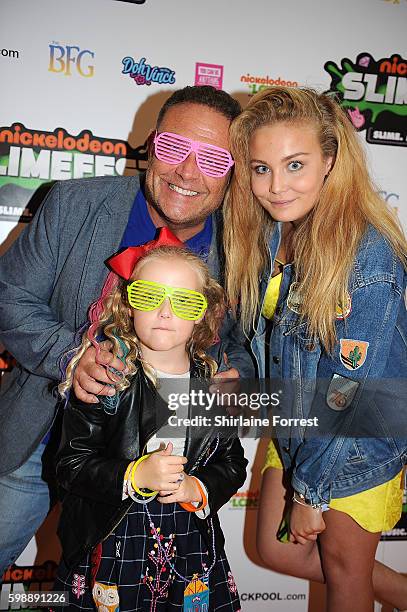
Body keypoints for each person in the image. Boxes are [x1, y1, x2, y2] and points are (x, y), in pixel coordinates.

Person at [0, 85, 254, 577]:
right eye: (174, 148)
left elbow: (242, 346)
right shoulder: (75, 204)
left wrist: (234, 378)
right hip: (38, 434)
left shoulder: (244, 247)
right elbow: (8, 294)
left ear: (234, 172)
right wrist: (70, 355)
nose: (186, 171)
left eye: (213, 158)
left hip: (151, 467)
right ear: (152, 145)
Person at [223, 86, 407, 611]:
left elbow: (348, 388)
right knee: (275, 550)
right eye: (261, 169)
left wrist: (309, 494)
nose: (275, 186)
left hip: (357, 434)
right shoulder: (277, 235)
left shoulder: (366, 253)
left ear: (330, 160)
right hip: (299, 420)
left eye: (295, 165)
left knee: (346, 576)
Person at [53, 237, 246, 611]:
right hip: (116, 537)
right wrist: (133, 477)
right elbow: (70, 466)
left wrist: (199, 487)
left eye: (184, 301)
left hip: (190, 542)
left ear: (202, 314)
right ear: (127, 304)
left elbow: (233, 463)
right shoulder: (106, 378)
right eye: (148, 296)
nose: (164, 311)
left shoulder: (214, 385)